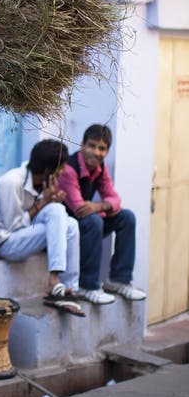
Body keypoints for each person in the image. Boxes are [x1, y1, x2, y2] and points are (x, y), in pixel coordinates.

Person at [0, 140, 84, 316]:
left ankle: (68, 288)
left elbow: (40, 215)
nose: (63, 172)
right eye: (60, 168)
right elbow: (15, 227)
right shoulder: (11, 182)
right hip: (7, 243)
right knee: (56, 211)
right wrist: (44, 202)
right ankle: (54, 280)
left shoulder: (41, 182)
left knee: (70, 223)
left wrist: (50, 200)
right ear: (48, 171)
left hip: (25, 235)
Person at [58, 124, 145, 304]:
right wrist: (105, 207)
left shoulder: (100, 168)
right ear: (82, 145)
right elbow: (79, 209)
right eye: (91, 145)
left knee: (127, 217)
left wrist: (99, 206)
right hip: (67, 229)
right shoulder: (69, 169)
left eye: (102, 148)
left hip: (88, 223)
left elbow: (114, 199)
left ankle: (119, 280)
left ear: (107, 151)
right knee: (93, 221)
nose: (96, 152)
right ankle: (87, 286)